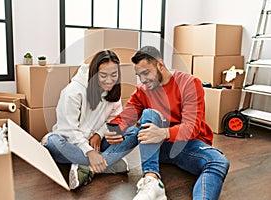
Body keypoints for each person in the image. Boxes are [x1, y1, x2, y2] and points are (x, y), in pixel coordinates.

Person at [105, 46, 230, 200]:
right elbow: (126, 116)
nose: (143, 80)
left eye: (145, 73)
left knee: (219, 162)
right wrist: (113, 129)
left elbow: (192, 127)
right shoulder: (142, 91)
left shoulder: (189, 83)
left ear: (160, 64)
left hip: (187, 145)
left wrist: (164, 133)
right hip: (158, 148)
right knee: (149, 114)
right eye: (139, 75)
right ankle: (152, 180)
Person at [41, 49, 138, 190]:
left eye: (114, 75)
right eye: (103, 75)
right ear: (94, 73)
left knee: (133, 132)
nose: (109, 80)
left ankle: (88, 169)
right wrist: (89, 152)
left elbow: (115, 121)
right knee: (53, 141)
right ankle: (108, 164)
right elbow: (68, 130)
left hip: (95, 144)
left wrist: (99, 134)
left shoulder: (113, 92)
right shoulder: (74, 91)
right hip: (71, 144)